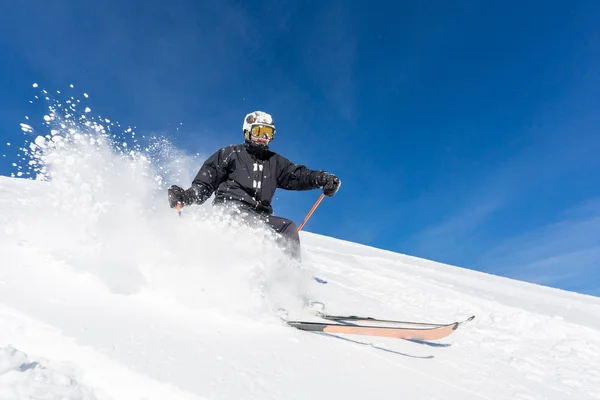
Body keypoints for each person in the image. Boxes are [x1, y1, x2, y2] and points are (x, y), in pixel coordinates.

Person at [167, 110, 341, 260]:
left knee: (288, 228)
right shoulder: (230, 154)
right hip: (231, 211)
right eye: (259, 131)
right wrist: (186, 196)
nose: (263, 138)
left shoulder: (274, 162)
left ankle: (289, 283)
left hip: (259, 216)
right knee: (252, 226)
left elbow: (297, 176)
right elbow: (205, 183)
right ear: (247, 132)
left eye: (268, 133)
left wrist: (321, 178)